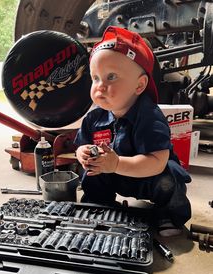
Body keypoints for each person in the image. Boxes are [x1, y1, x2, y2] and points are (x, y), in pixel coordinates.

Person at [74, 26, 191, 236]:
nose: (100, 86)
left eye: (111, 77)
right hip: (113, 174)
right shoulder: (94, 117)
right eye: (95, 78)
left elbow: (157, 161)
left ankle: (168, 215)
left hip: (147, 175)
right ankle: (99, 204)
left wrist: (118, 163)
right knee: (92, 169)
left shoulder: (149, 116)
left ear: (139, 85)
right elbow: (81, 144)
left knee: (169, 179)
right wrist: (82, 153)